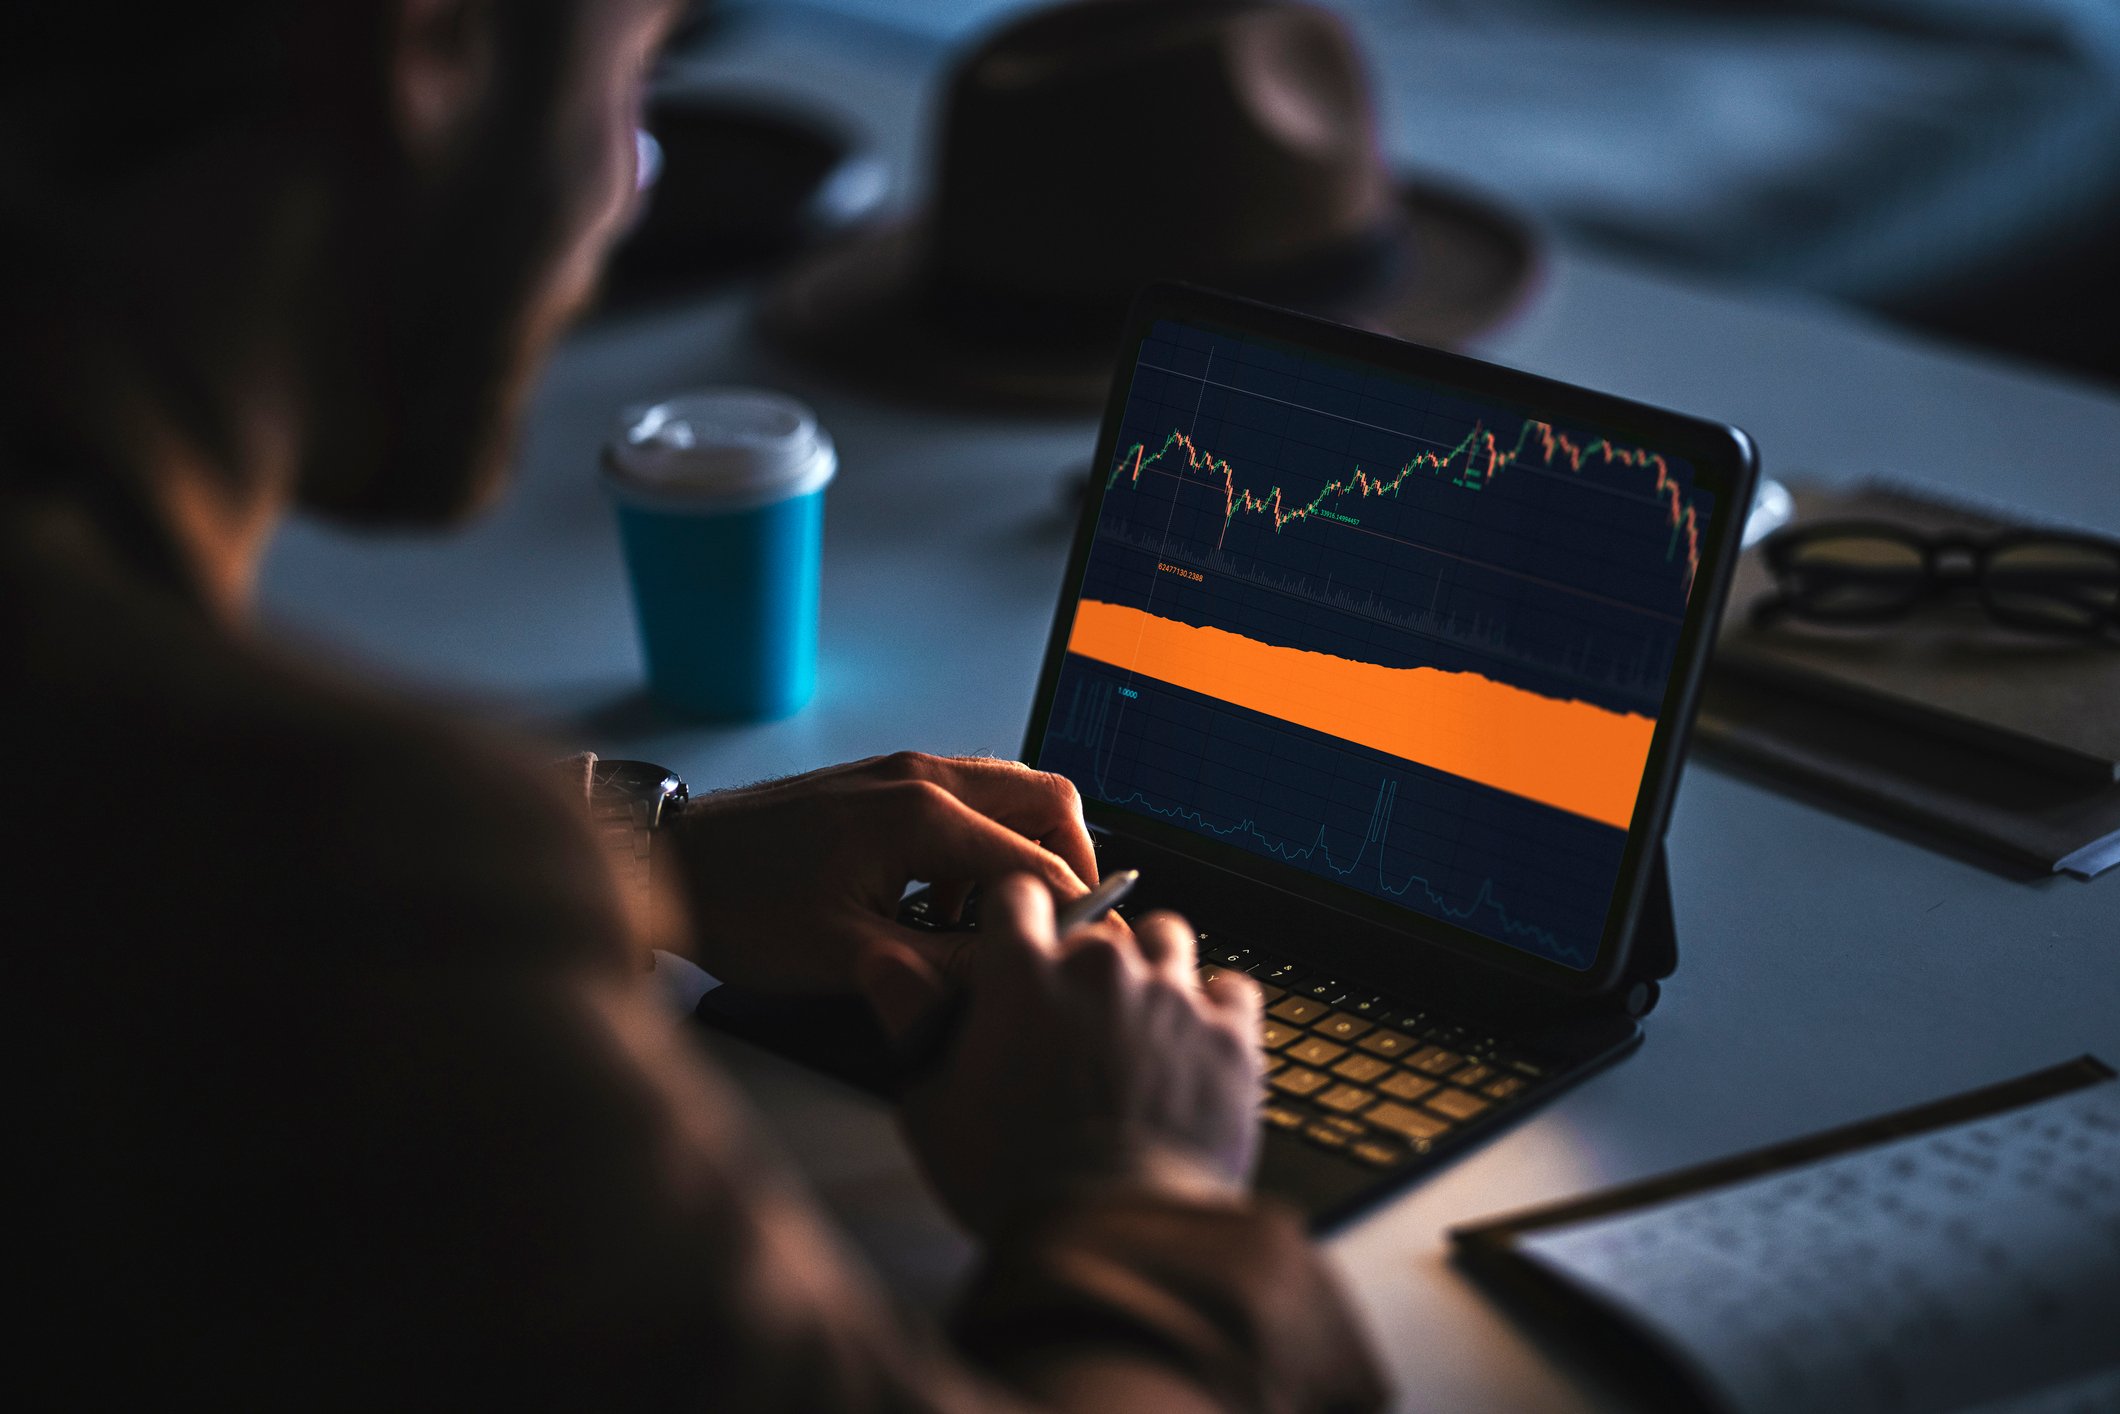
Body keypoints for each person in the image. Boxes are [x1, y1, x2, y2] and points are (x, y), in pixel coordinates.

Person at [0, 3, 1387, 1409]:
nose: (622, 190)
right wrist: (1135, 1193)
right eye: (636, 99)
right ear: (421, 54)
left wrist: (644, 852)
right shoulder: (362, 879)